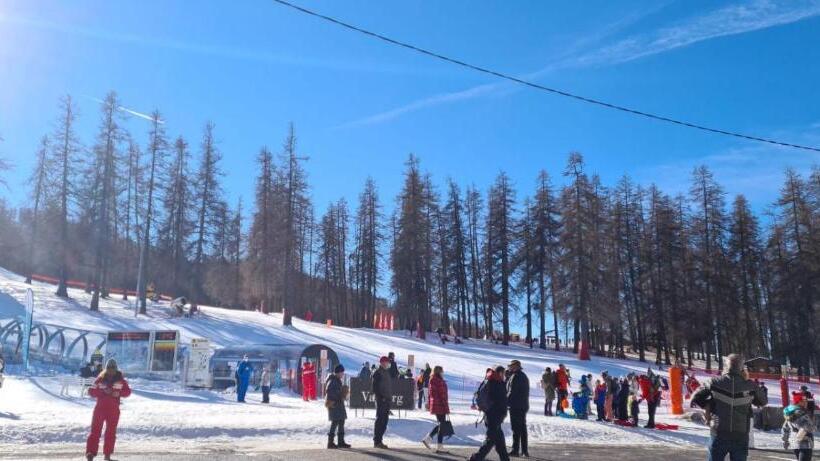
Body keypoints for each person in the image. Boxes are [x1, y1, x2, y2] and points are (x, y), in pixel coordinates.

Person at [692, 354, 767, 461]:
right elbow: (763, 401)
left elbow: (695, 397)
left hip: (718, 432)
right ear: (742, 368)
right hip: (740, 434)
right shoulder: (750, 386)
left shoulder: (714, 382)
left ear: (726, 367)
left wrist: (709, 405)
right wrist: (747, 382)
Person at [85, 359, 131, 461]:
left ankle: (107, 455)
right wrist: (102, 392)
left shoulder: (120, 380)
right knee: (95, 431)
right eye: (109, 368)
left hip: (113, 410)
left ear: (116, 368)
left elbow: (128, 391)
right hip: (100, 409)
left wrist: (119, 393)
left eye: (113, 367)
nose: (111, 370)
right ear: (106, 368)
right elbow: (90, 391)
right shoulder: (100, 379)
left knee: (110, 432)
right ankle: (90, 453)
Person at [469, 366, 510, 461]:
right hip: (494, 417)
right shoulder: (496, 384)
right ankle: (476, 458)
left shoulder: (492, 381)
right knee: (490, 441)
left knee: (500, 441)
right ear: (499, 373)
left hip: (493, 416)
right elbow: (501, 401)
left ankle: (505, 459)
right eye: (503, 373)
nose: (504, 375)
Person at [422, 366, 450, 453]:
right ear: (439, 371)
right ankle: (438, 445)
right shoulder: (439, 381)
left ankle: (429, 439)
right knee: (442, 425)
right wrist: (446, 406)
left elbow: (431, 394)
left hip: (435, 404)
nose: (443, 372)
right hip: (440, 404)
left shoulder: (432, 379)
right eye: (442, 371)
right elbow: (442, 394)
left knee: (441, 424)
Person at [506, 359, 530, 457]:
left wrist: (505, 402)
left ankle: (515, 450)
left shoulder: (516, 376)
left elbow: (512, 392)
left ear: (516, 366)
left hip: (516, 406)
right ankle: (524, 450)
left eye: (511, 366)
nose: (509, 367)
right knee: (522, 428)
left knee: (516, 429)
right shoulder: (523, 376)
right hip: (523, 405)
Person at [782, 392, 815, 461]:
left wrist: (785, 440)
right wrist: (813, 426)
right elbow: (809, 427)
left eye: (806, 401)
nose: (806, 403)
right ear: (798, 402)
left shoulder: (789, 412)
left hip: (795, 443)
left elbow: (785, 428)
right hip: (805, 443)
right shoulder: (801, 413)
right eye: (804, 401)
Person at [325, 364, 350, 449]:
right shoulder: (333, 381)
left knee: (341, 421)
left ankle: (340, 441)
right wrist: (341, 394)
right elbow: (330, 392)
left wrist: (343, 394)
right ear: (338, 372)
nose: (343, 374)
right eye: (342, 372)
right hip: (334, 404)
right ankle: (330, 442)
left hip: (338, 404)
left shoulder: (337, 380)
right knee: (335, 422)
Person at [372, 356, 393, 449]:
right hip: (381, 400)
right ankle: (377, 441)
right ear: (383, 363)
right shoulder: (377, 373)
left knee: (385, 421)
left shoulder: (386, 372)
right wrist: (381, 397)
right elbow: (374, 387)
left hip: (387, 399)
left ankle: (380, 440)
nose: (388, 364)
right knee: (380, 420)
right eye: (387, 362)